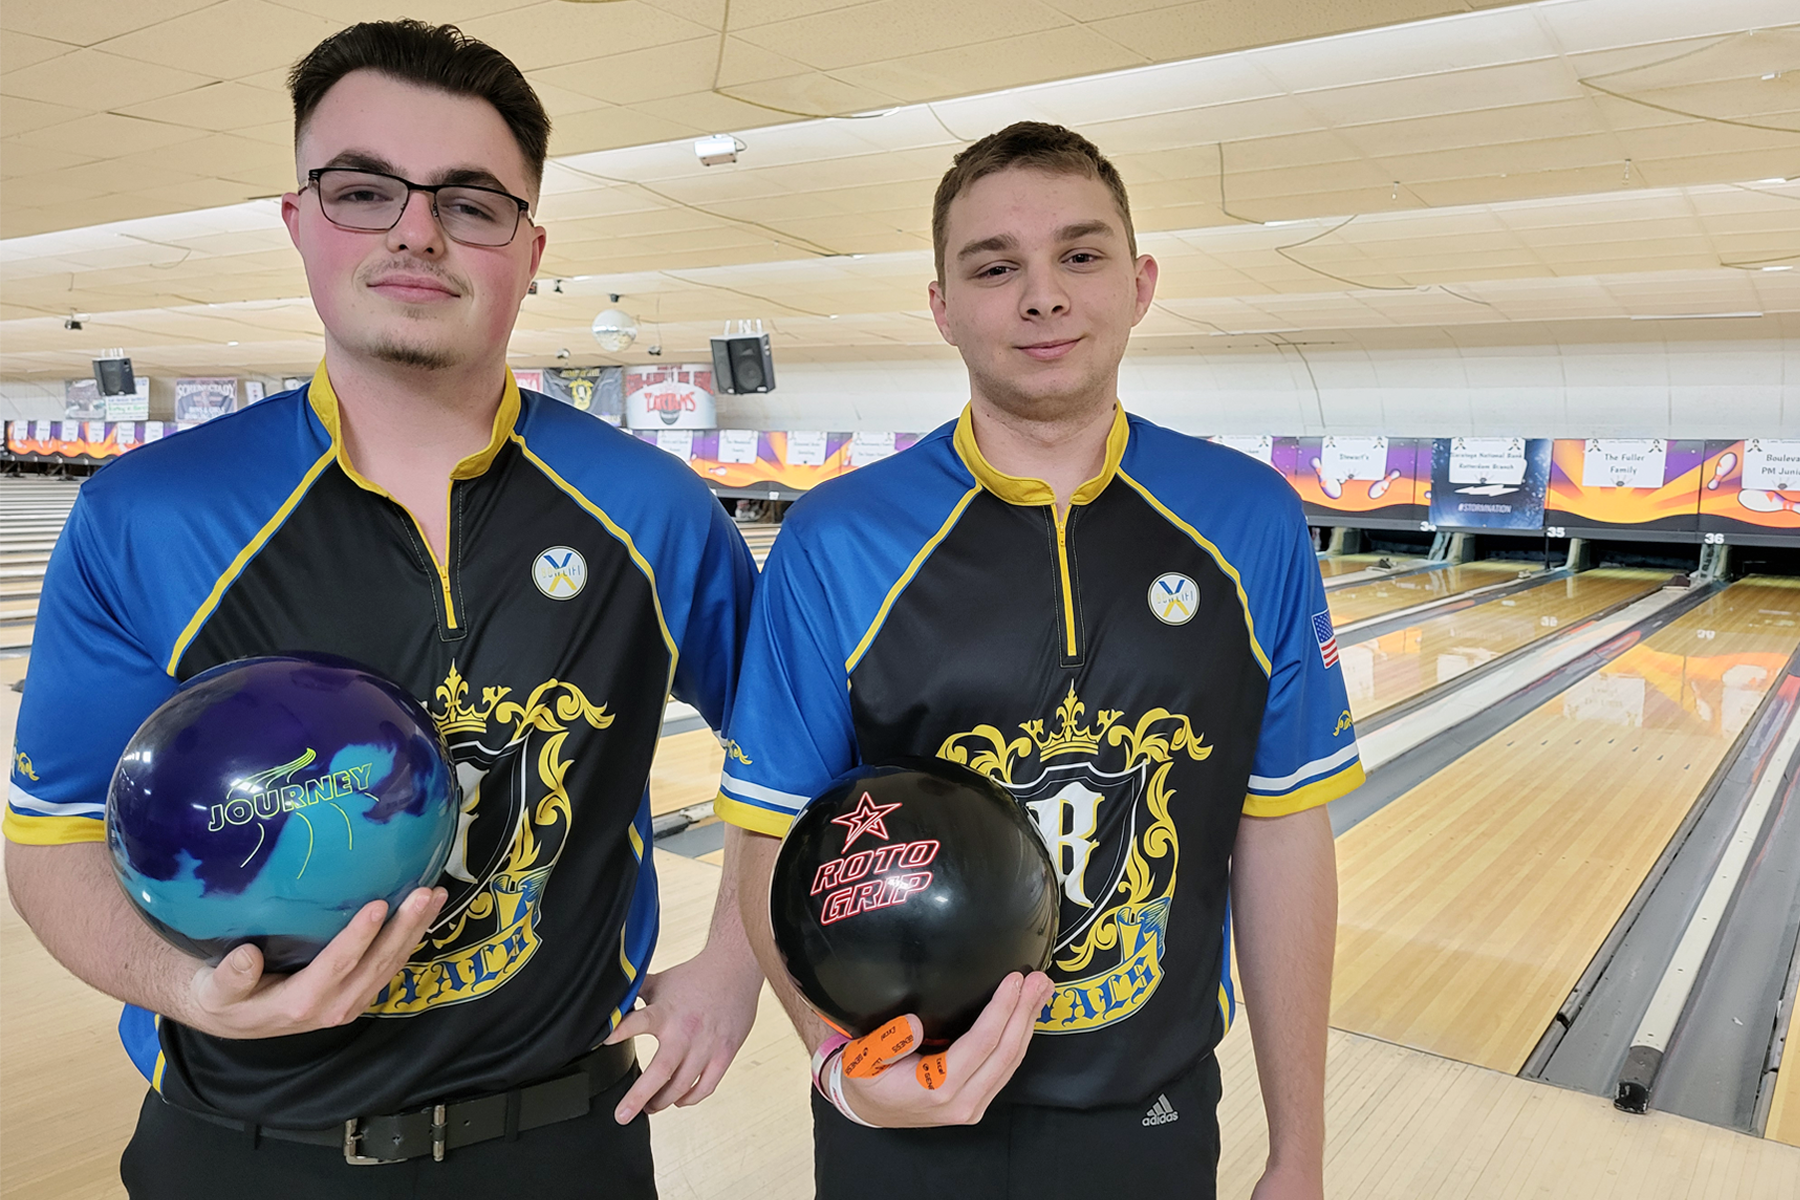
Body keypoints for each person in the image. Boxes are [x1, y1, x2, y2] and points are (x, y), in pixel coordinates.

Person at [4, 20, 763, 1198]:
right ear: (300, 219)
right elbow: (51, 837)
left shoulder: (651, 508)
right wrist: (184, 992)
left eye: (471, 200)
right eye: (364, 189)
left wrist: (734, 962)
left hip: (563, 1143)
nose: (417, 228)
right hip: (241, 1152)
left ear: (529, 243)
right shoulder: (146, 514)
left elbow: (792, 745)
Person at [716, 122, 1357, 1200]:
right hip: (900, 1115)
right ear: (943, 306)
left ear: (1140, 282)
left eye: (1080, 254)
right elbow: (772, 842)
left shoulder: (1249, 520)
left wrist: (1300, 1152)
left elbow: (1283, 828)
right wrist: (839, 1066)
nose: (1043, 295)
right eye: (996, 266)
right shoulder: (840, 539)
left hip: (1150, 1119)